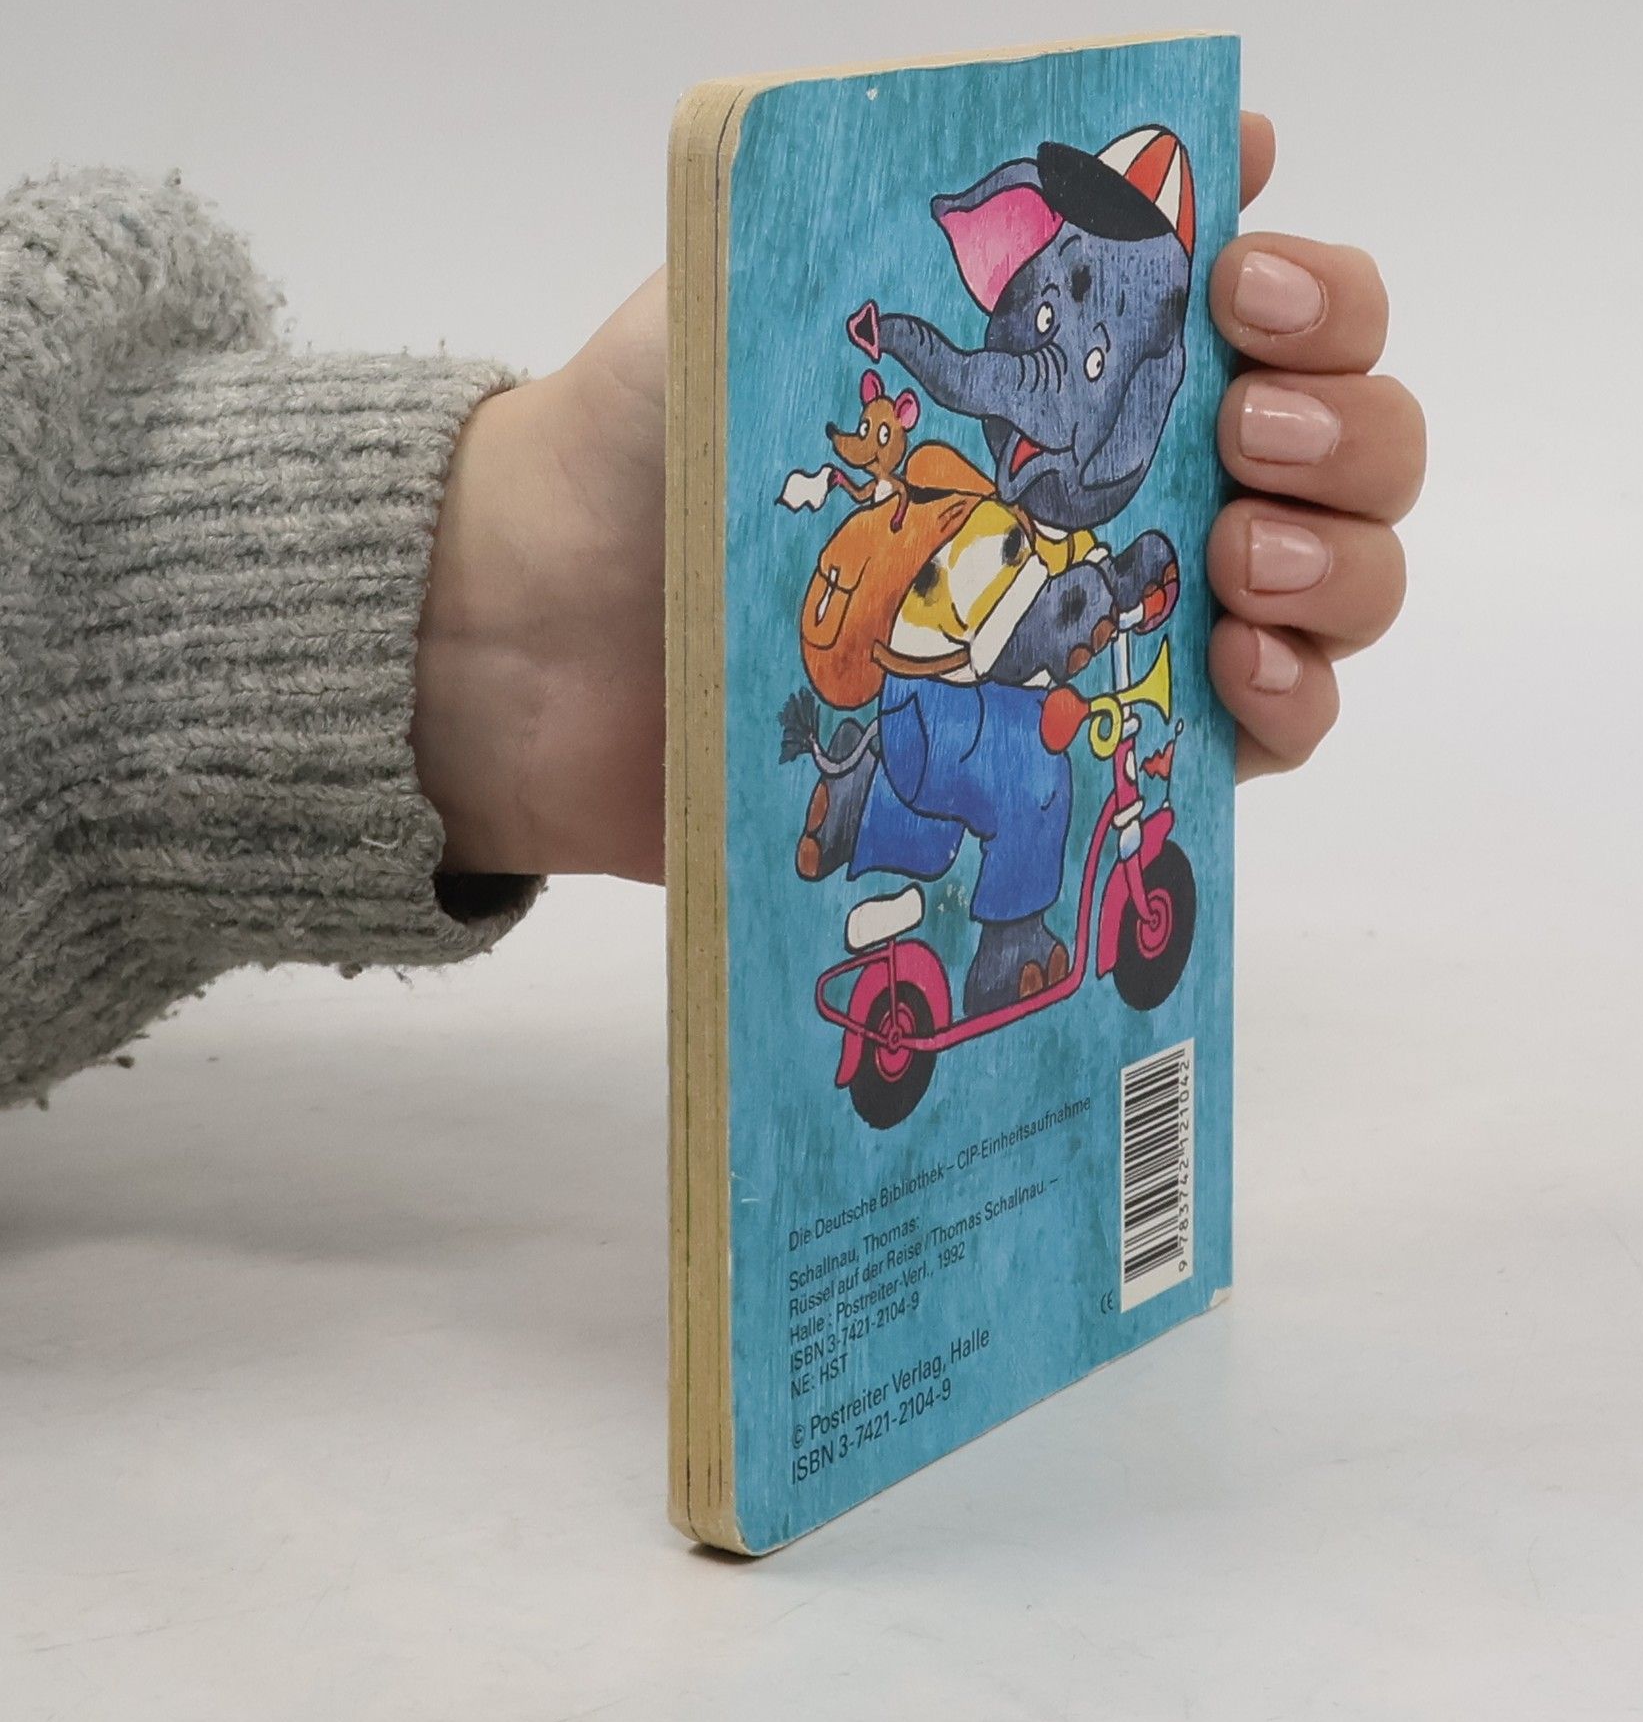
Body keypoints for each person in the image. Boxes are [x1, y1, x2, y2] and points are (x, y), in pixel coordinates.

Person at [0, 113, 1425, 1107]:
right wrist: (1112, 588)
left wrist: (499, 587)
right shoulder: (988, 519)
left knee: (941, 791)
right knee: (1040, 791)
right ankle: (1008, 941)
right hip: (968, 697)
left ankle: (857, 799)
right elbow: (1035, 624)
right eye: (1043, 309)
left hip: (900, 703)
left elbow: (987, 454)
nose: (1043, 347)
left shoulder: (952, 495)